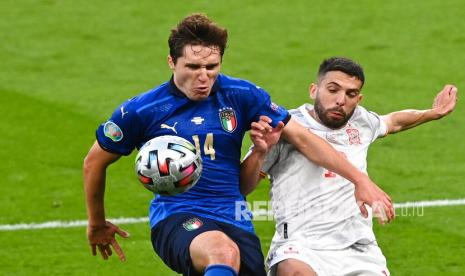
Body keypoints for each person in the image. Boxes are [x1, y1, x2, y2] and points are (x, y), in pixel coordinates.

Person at [83, 14, 394, 276]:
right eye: (192, 67)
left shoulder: (240, 95)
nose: (203, 77)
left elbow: (303, 137)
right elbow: (94, 162)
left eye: (212, 67)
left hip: (234, 216)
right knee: (222, 252)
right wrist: (96, 223)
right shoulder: (142, 110)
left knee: (231, 253)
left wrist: (360, 180)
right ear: (171, 62)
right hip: (176, 216)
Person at [241, 57, 458, 276]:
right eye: (333, 90)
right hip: (301, 245)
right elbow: (243, 187)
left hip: (358, 247)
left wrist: (432, 113)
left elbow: (393, 121)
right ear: (314, 90)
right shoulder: (285, 126)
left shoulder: (361, 122)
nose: (340, 100)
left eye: (351, 94)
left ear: (359, 99)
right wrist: (260, 151)